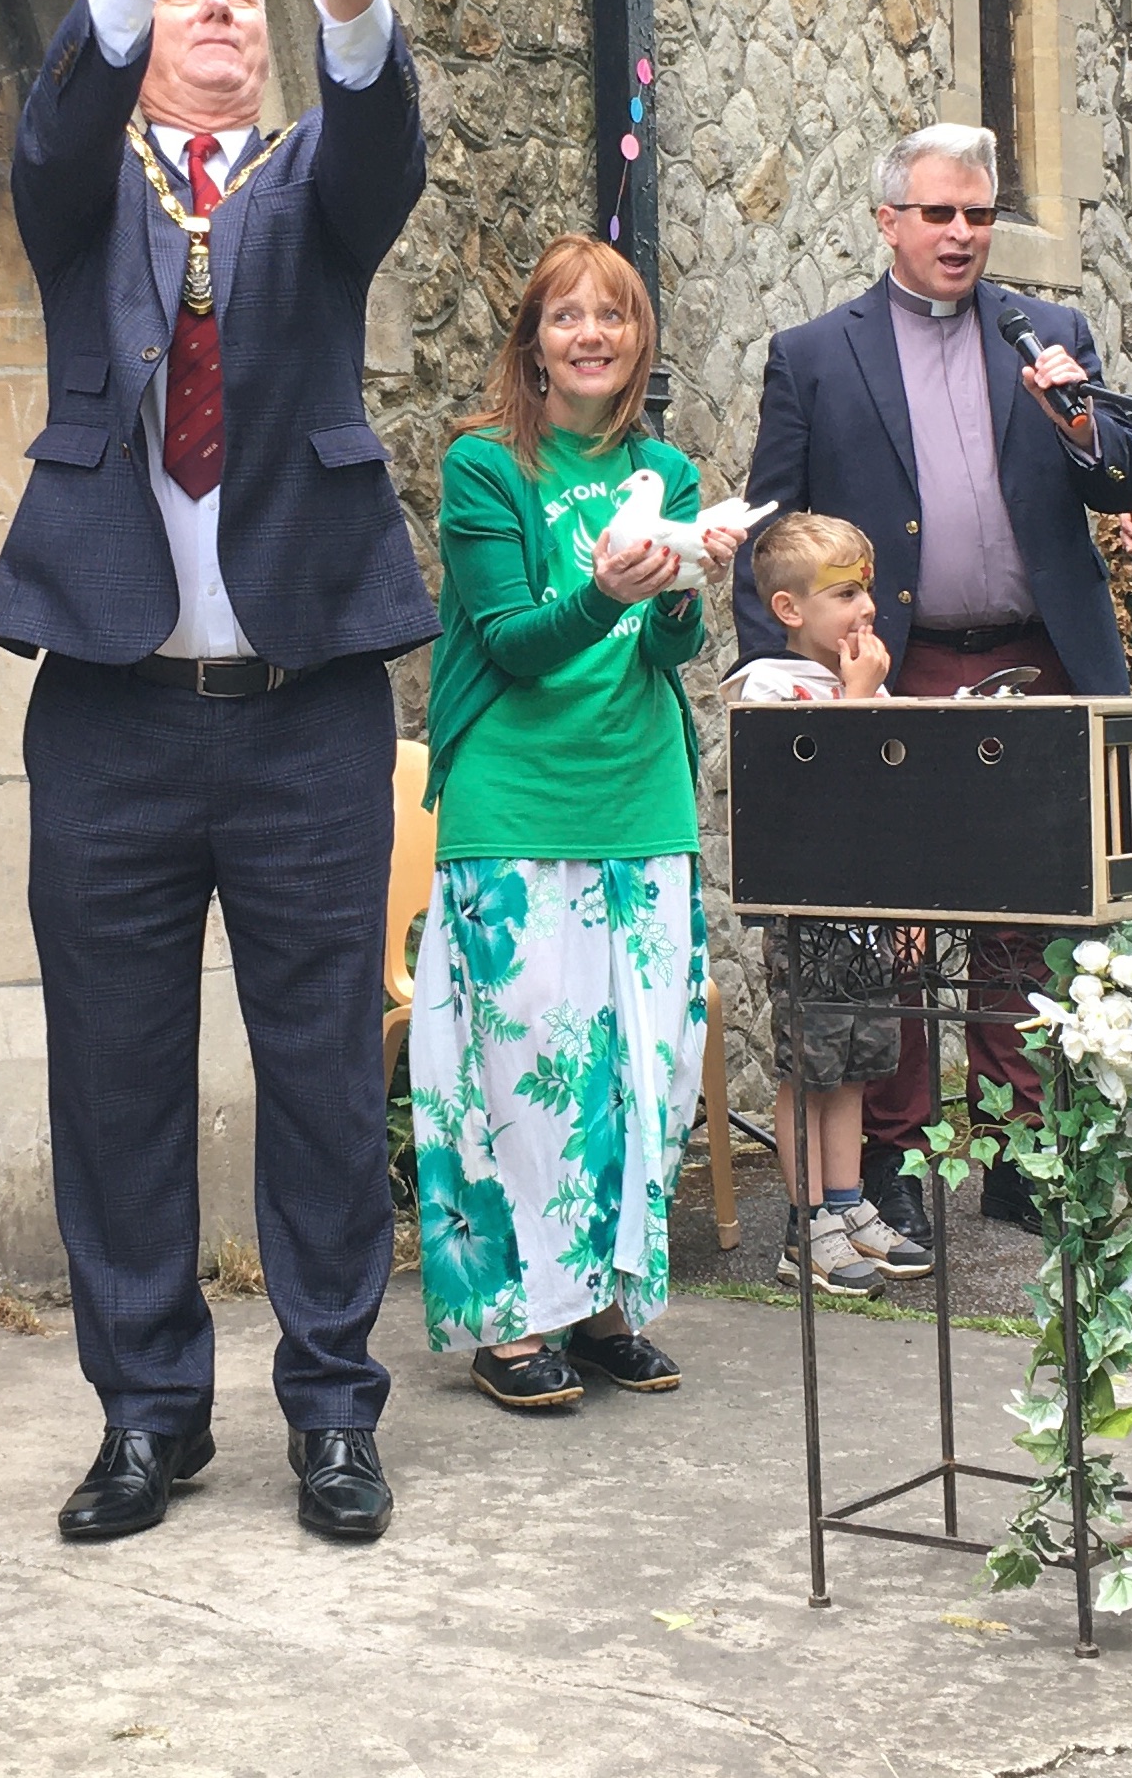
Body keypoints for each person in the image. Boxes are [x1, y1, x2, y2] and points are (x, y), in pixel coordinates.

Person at [0, 0, 438, 1543]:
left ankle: (331, 1406)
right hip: (107, 707)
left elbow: (382, 146)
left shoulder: (315, 182)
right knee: (113, 1074)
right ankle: (147, 1412)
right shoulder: (81, 189)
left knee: (321, 1068)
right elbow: (42, 136)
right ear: (146, 31)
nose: (222, 7)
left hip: (306, 701)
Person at [733, 123, 1132, 1245]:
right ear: (888, 222)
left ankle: (1025, 1149)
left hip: (1041, 652)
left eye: (978, 213)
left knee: (1033, 911)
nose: (963, 233)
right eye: (938, 213)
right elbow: (770, 525)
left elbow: (1122, 481)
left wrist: (1079, 420)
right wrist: (771, 679)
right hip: (897, 662)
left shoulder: (1047, 332)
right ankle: (901, 1152)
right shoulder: (817, 354)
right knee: (902, 917)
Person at [409, 234, 742, 1412]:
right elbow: (511, 642)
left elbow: (668, 652)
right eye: (566, 317)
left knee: (636, 1073)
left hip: (639, 795)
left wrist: (681, 585)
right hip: (515, 800)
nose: (591, 334)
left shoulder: (669, 468)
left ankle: (602, 1305)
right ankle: (511, 1325)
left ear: (640, 338)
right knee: (523, 1071)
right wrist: (609, 584)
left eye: (612, 316)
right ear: (531, 343)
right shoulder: (485, 467)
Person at [723, 512, 931, 1296]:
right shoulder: (769, 687)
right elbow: (812, 787)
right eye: (843, 592)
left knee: (855, 1066)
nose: (865, 606)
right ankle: (804, 1223)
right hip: (809, 912)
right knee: (808, 1069)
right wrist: (858, 698)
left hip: (866, 911)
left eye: (866, 588)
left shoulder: (858, 684)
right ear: (787, 609)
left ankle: (848, 1202)